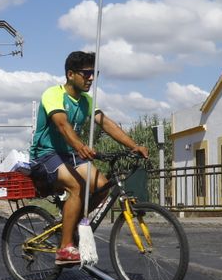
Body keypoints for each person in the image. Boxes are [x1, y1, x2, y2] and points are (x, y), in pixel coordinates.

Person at [28, 51, 148, 265]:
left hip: (69, 155)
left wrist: (134, 146)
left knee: (102, 186)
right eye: (86, 73)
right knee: (77, 186)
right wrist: (81, 146)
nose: (91, 78)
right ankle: (65, 248)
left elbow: (106, 123)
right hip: (45, 155)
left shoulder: (86, 100)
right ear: (71, 74)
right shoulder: (53, 94)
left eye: (94, 73)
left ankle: (69, 223)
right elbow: (62, 124)